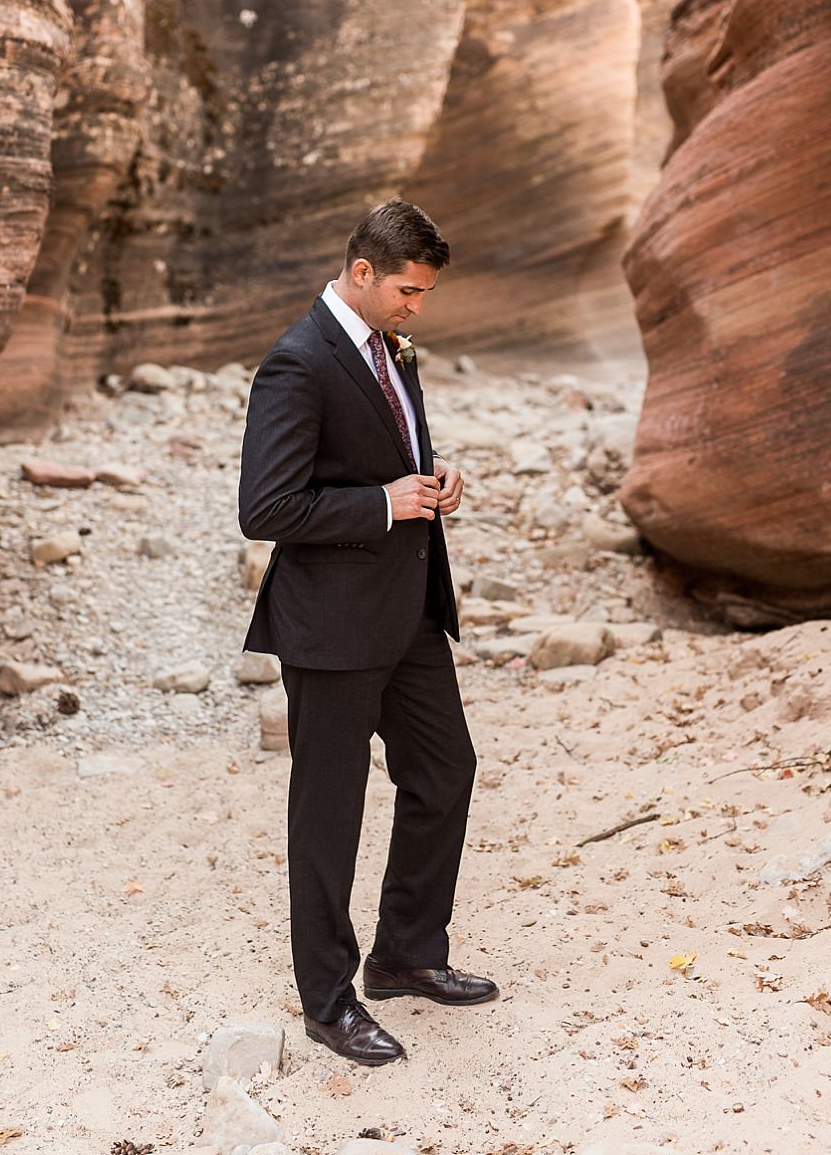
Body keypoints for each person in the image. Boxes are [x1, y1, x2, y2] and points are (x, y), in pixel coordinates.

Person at [237, 198, 496, 1066]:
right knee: (329, 812)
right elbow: (266, 507)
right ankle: (328, 1000)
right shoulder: (296, 363)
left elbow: (390, 448)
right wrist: (384, 504)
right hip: (332, 627)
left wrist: (432, 474)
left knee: (445, 770)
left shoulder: (392, 348)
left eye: (424, 292)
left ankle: (406, 953)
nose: (417, 307)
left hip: (410, 613)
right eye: (408, 290)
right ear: (361, 273)